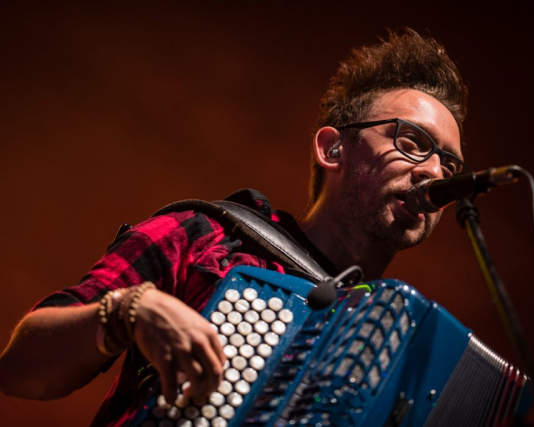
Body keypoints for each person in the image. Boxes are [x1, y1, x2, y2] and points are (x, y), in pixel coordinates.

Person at [0, 28, 468, 426]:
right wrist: (128, 312)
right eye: (412, 142)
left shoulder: (405, 355)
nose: (435, 173)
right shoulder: (208, 236)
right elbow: (21, 369)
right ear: (333, 149)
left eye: (450, 165)